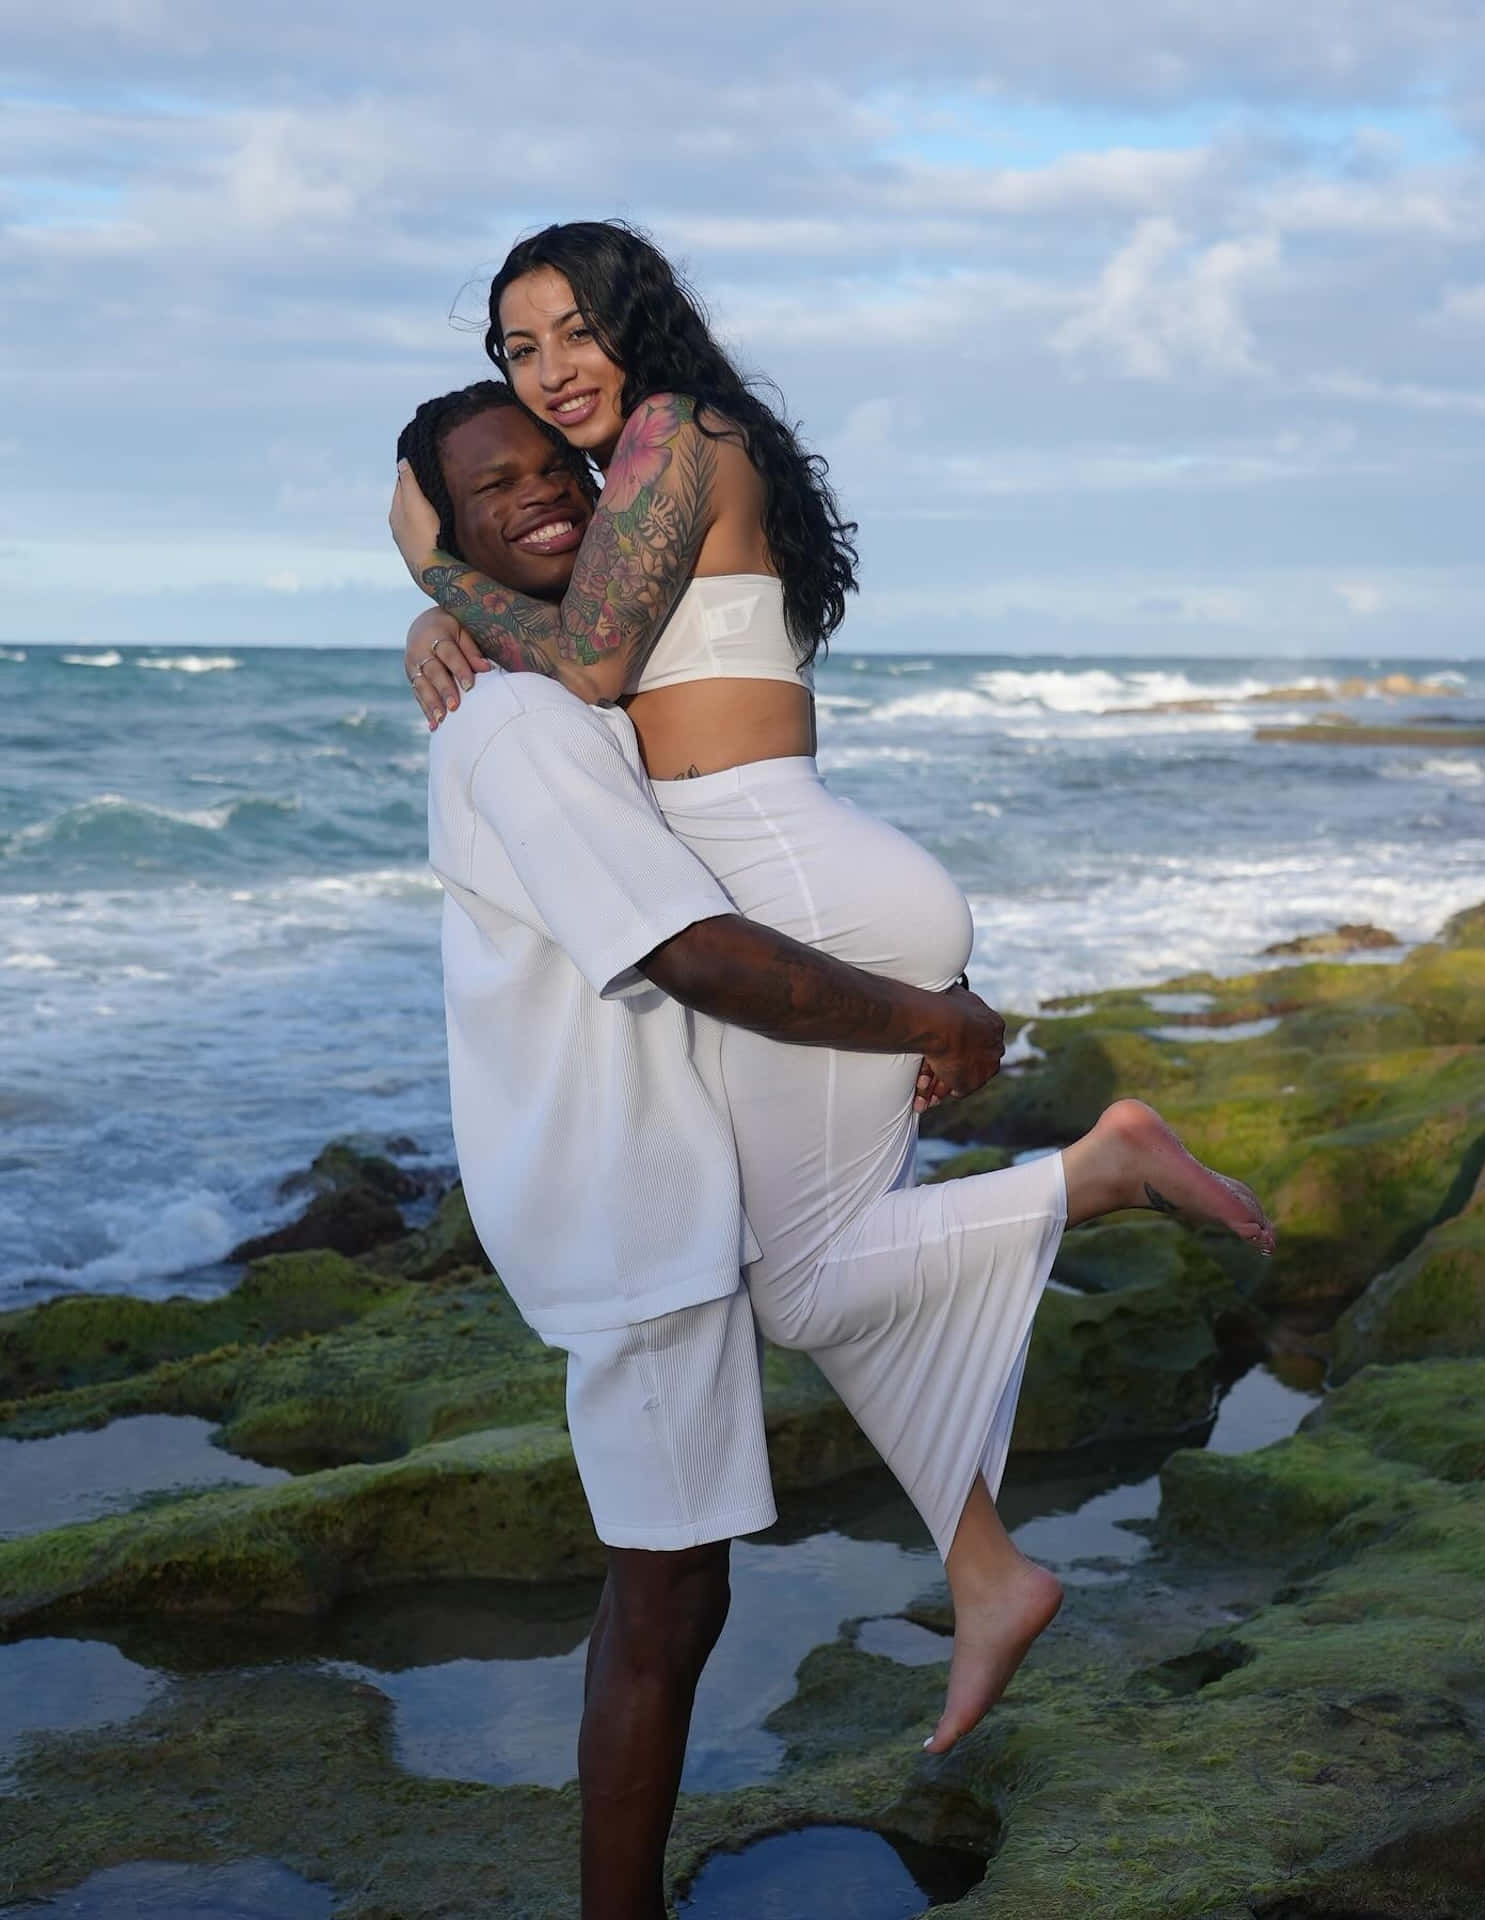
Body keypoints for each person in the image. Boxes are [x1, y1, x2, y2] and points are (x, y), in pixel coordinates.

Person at [394, 312, 1274, 1768]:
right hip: (825, 902)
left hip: (805, 918)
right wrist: (439, 606)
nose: (553, 401)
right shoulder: (646, 523)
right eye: (517, 353)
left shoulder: (664, 475)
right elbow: (561, 644)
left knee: (793, 1303)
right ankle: (987, 1569)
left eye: (569, 350)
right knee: (809, 1278)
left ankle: (1098, 1178)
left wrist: (429, 568)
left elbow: (634, 807)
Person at [411, 385, 1012, 1920]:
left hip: (655, 1174)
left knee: (675, 1585)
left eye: (560, 470)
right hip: (626, 1200)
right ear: (443, 531)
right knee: (664, 1593)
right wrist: (932, 1026)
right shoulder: (523, 723)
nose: (545, 494)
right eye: (495, 490)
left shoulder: (567, 698)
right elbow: (693, 953)